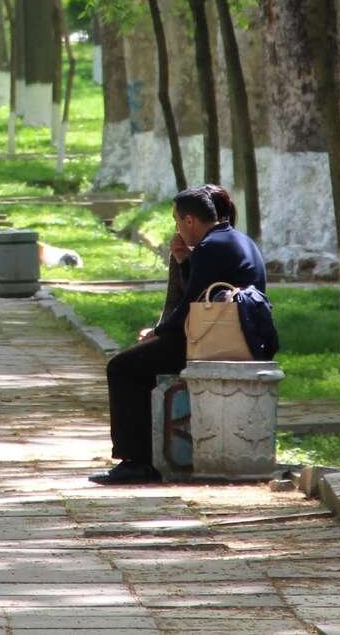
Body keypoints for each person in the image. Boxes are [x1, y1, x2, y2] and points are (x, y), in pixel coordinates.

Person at [90, 185, 266, 485]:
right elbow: (203, 290)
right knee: (138, 366)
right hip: (247, 337)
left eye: (176, 220)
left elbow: (192, 304)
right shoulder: (237, 239)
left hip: (215, 340)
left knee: (122, 368)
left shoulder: (212, 246)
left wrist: (157, 331)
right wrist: (185, 261)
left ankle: (136, 461)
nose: (176, 228)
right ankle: (148, 453)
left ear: (189, 221)